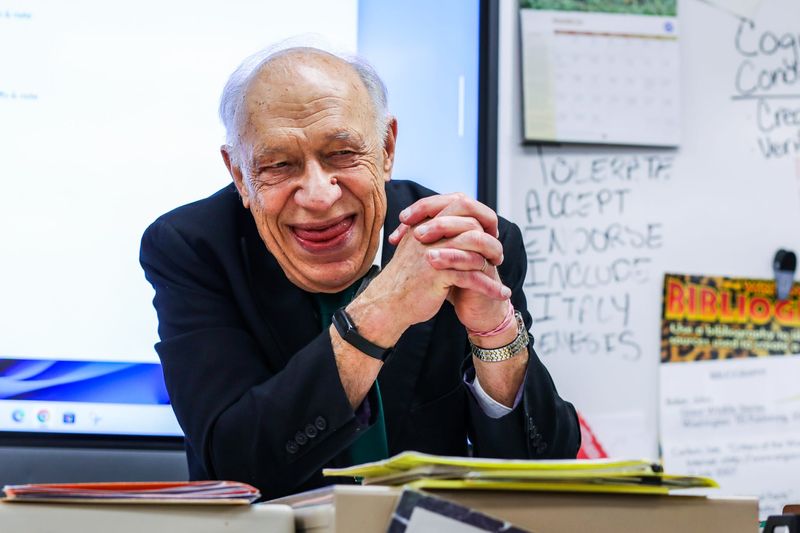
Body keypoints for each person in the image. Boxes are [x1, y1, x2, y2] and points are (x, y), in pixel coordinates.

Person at [140, 46, 579, 500]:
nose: (318, 196)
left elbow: (545, 473)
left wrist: (495, 335)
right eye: (278, 165)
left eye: (341, 153)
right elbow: (234, 467)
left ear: (386, 149)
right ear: (239, 174)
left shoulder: (462, 242)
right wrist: (380, 313)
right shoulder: (192, 248)